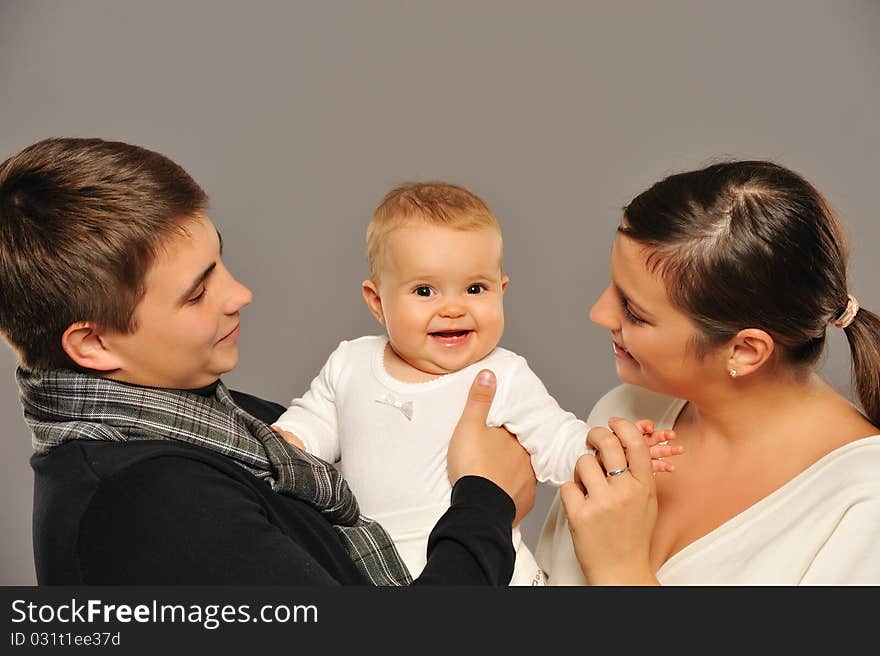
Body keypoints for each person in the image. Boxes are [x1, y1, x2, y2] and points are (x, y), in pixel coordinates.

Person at [0, 137, 537, 585]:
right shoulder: (146, 506)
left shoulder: (227, 426)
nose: (239, 294)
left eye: (220, 261)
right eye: (195, 293)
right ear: (92, 345)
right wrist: (486, 502)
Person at [272, 182, 680, 584]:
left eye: (475, 288)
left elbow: (555, 439)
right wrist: (284, 442)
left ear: (501, 290)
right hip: (368, 558)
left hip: (486, 563)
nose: (453, 308)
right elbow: (312, 425)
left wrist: (611, 451)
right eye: (425, 290)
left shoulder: (502, 374)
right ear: (378, 302)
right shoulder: (351, 362)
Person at [535, 160, 880, 585]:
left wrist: (618, 570)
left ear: (745, 350)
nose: (598, 313)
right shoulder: (625, 414)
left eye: (635, 313)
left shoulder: (866, 506)